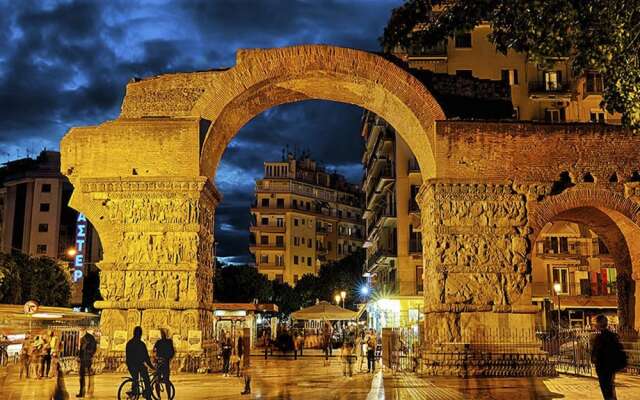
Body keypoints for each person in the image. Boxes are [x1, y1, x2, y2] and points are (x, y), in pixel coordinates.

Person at [591, 315, 627, 400]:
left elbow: (597, 354)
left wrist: (594, 359)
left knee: (606, 389)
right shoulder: (612, 336)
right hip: (611, 367)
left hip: (603, 367)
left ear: (599, 324)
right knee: (610, 387)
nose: (595, 325)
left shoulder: (599, 338)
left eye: (596, 323)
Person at [126, 326, 154, 400]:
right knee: (146, 378)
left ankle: (134, 390)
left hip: (130, 365)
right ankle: (148, 395)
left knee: (135, 378)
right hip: (138, 365)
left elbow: (128, 356)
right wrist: (151, 366)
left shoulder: (129, 343)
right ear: (140, 334)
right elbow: (146, 357)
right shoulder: (141, 344)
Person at [152, 329, 175, 394]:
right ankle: (168, 397)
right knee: (164, 381)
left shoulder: (159, 342)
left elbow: (153, 350)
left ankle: (161, 397)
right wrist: (168, 358)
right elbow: (172, 352)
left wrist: (155, 358)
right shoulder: (168, 342)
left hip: (160, 363)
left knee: (158, 381)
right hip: (164, 363)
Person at [77, 329, 96, 398]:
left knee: (90, 376)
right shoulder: (82, 338)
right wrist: (79, 357)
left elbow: (93, 348)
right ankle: (82, 392)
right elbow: (81, 350)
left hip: (88, 359)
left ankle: (90, 392)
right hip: (83, 359)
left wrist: (90, 354)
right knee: (82, 377)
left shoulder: (91, 338)